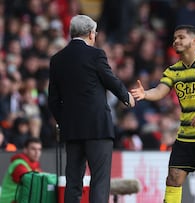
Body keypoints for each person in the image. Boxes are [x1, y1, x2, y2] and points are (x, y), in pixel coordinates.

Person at [131, 25, 195, 203]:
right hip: (185, 136)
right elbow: (160, 90)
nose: (176, 41)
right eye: (174, 38)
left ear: (194, 41)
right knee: (173, 179)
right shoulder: (173, 71)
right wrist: (145, 94)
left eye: (181, 37)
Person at [48, 15, 135, 203]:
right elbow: (110, 79)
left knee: (73, 182)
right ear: (90, 34)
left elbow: (53, 100)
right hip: (98, 128)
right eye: (94, 32)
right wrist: (126, 97)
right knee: (100, 181)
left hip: (72, 131)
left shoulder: (57, 59)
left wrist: (65, 122)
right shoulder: (96, 54)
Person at [0, 137, 42, 203]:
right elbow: (31, 183)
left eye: (39, 149)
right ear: (25, 150)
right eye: (33, 149)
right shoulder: (19, 165)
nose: (37, 152)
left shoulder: (35, 166)